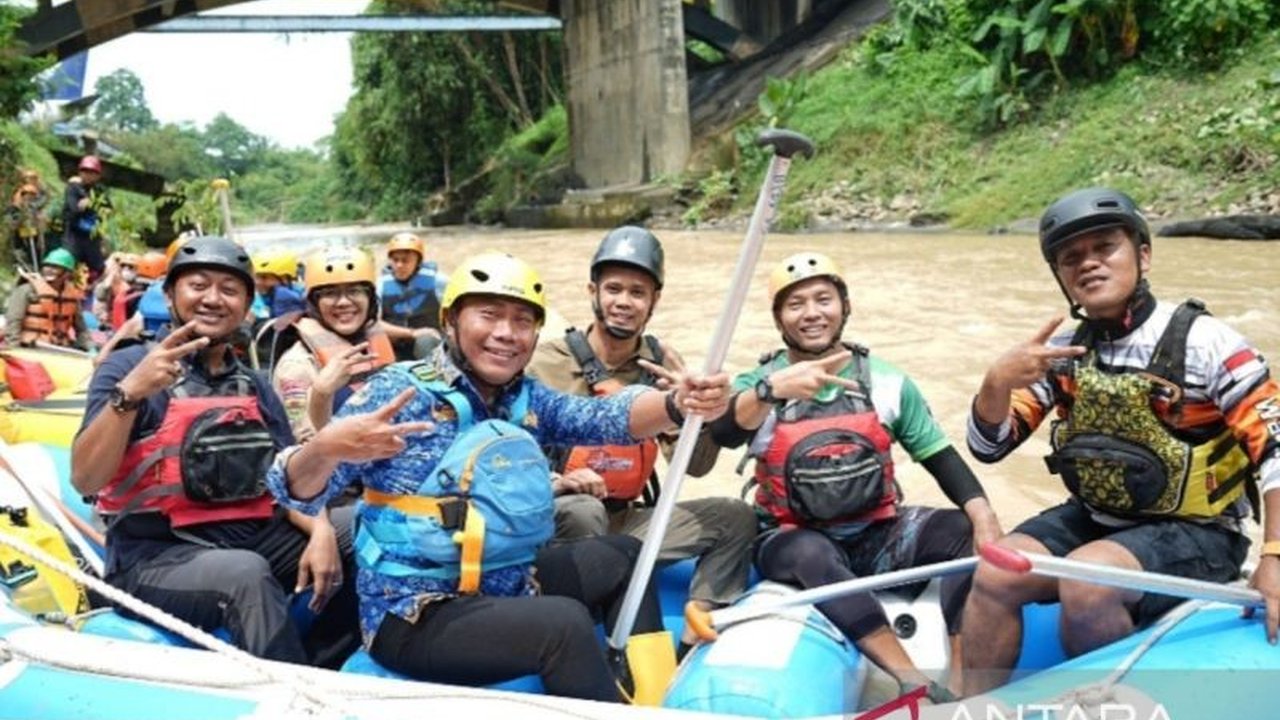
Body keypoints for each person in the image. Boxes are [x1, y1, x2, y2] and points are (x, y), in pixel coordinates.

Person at [266, 251, 732, 704]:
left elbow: (605, 418)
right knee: (563, 624)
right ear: (451, 321)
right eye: (489, 315)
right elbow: (294, 491)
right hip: (414, 614)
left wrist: (677, 404)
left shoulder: (523, 397)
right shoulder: (398, 392)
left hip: (505, 583)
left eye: (522, 321)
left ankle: (651, 697)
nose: (507, 333)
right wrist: (324, 448)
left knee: (625, 556)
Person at [961, 187, 1280, 695]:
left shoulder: (1208, 343)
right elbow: (990, 446)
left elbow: (1275, 450)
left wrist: (1275, 555)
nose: (1088, 263)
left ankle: (1107, 703)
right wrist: (996, 382)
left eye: (1104, 247)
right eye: (1071, 258)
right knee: (996, 569)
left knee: (1088, 580)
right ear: (1061, 276)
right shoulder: (1060, 352)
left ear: (1143, 255)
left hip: (1198, 532)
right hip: (1096, 516)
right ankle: (970, 704)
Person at [707, 251, 1002, 699]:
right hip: (790, 539)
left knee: (962, 531)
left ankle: (962, 682)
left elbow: (938, 456)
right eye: (796, 304)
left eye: (823, 299)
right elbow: (725, 432)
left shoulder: (886, 381)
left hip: (876, 535)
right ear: (779, 318)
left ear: (845, 306)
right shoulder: (759, 384)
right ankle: (913, 680)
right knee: (809, 553)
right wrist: (772, 390)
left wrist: (983, 516)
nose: (811, 313)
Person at [69, 235, 361, 668]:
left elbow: (287, 479)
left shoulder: (252, 384)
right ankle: (295, 691)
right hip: (155, 556)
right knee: (244, 573)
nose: (213, 298)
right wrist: (129, 395)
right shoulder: (127, 366)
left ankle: (329, 664)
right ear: (171, 294)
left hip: (254, 538)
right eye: (198, 285)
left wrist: (321, 530)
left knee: (361, 526)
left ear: (245, 306)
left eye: (229, 289)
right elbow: (85, 478)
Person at [527, 226, 757, 658]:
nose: (624, 302)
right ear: (593, 292)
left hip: (625, 518)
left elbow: (697, 466)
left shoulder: (661, 368)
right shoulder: (543, 362)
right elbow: (504, 452)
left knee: (735, 516)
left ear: (654, 301)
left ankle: (694, 637)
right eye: (614, 289)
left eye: (638, 292)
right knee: (584, 509)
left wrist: (692, 411)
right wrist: (559, 481)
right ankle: (576, 634)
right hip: (558, 518)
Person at [271, 246, 396, 440]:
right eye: (330, 293)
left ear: (370, 299)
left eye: (355, 290)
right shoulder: (296, 366)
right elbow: (302, 443)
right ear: (314, 303)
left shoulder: (370, 340)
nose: (343, 302)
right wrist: (321, 394)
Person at [378, 231, 446, 361]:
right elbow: (373, 325)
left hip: (429, 342)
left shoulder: (438, 281)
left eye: (406, 260)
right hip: (396, 344)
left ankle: (432, 371)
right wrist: (412, 333)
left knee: (425, 341)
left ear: (418, 262)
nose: (399, 265)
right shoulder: (381, 285)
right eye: (395, 260)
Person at [4, 247, 90, 350]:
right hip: (30, 347)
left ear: (67, 273)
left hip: (60, 347)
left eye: (55, 267)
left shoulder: (72, 295)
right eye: (47, 266)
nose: (49, 270)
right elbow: (14, 321)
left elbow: (81, 328)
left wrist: (86, 347)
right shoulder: (26, 290)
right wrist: (14, 348)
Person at [61, 155, 111, 280]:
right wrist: (83, 207)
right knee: (67, 263)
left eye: (92, 173)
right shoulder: (73, 188)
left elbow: (108, 209)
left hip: (91, 237)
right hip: (74, 234)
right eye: (85, 171)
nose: (88, 175)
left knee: (99, 269)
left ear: (98, 176)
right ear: (80, 172)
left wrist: (90, 204)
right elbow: (73, 208)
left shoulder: (100, 191)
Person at [253, 249, 306, 319]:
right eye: (256, 277)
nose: (257, 282)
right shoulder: (255, 300)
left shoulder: (291, 298)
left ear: (284, 279)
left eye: (264, 277)